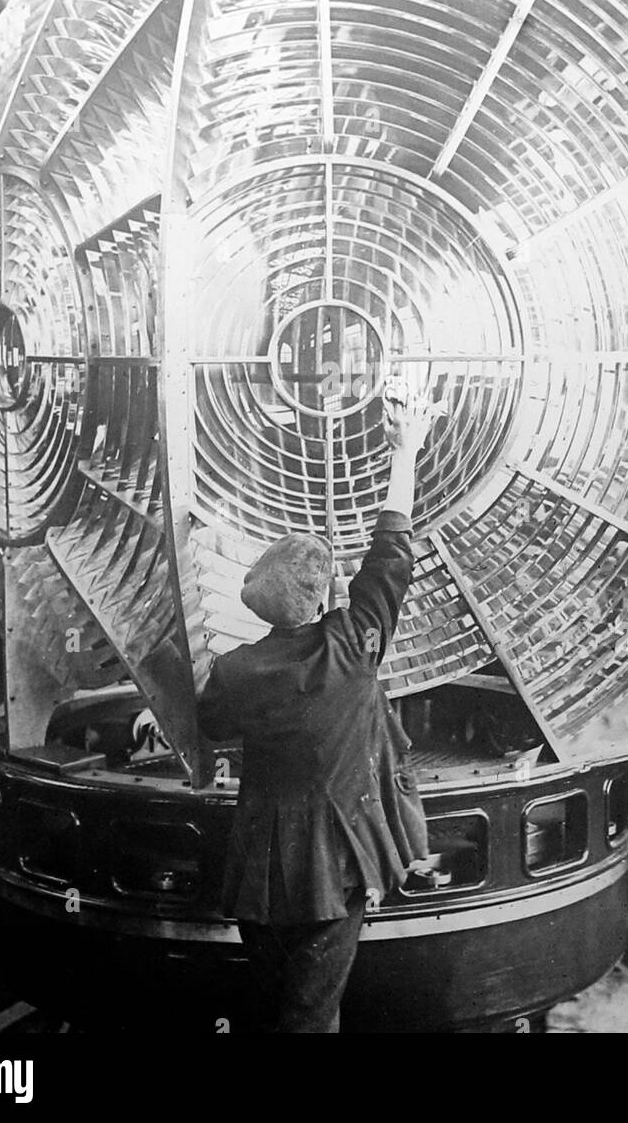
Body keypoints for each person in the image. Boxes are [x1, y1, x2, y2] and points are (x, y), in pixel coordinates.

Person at [196, 392, 439, 1033]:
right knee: (309, 1018)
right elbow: (392, 550)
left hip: (257, 874)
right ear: (325, 596)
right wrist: (404, 450)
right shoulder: (352, 646)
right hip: (332, 872)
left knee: (276, 1007)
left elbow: (211, 723)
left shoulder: (237, 671)